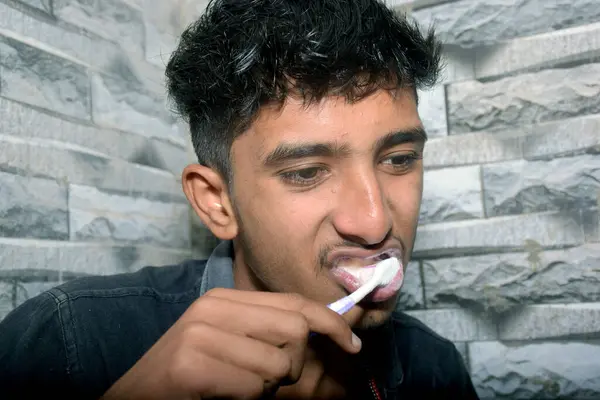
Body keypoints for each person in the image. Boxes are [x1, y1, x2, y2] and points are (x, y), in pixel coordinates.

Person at [0, 0, 480, 398]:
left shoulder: (435, 369)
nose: (375, 225)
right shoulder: (68, 341)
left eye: (397, 160)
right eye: (306, 172)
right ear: (216, 203)